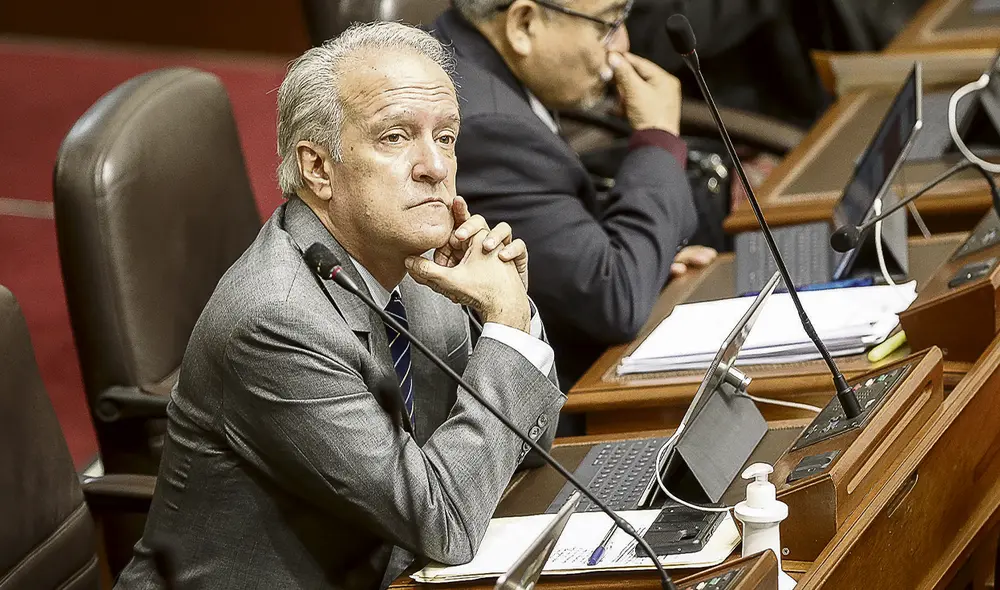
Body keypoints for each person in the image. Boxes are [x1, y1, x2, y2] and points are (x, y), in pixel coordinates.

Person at [114, 22, 564, 590]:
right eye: (396, 137)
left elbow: (530, 444)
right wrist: (506, 333)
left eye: (445, 137)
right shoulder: (275, 319)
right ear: (318, 168)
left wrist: (514, 315)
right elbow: (442, 521)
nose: (435, 167)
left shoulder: (418, 256)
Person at [432, 0, 718, 390]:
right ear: (524, 24)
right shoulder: (488, 127)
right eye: (607, 24)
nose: (622, 45)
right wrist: (658, 137)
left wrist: (642, 254)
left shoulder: (462, 55)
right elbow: (615, 301)